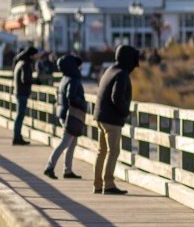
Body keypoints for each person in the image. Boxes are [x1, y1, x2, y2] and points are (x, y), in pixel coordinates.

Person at [92, 45, 139, 195]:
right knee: (113, 151)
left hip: (100, 116)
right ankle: (109, 184)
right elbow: (117, 98)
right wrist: (125, 112)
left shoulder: (110, 70)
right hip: (111, 119)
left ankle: (97, 184)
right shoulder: (122, 74)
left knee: (102, 151)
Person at [44, 54, 86, 180]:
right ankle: (49, 167)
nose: (79, 68)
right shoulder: (73, 79)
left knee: (72, 142)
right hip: (70, 115)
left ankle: (68, 170)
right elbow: (71, 97)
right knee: (65, 142)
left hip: (64, 113)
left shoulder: (65, 78)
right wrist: (83, 103)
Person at [11, 46, 37, 145]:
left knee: (19, 115)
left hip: (18, 91)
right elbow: (25, 79)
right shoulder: (26, 64)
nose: (37, 57)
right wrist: (35, 81)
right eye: (36, 55)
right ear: (31, 55)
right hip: (22, 93)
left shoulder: (21, 61)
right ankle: (17, 138)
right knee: (20, 116)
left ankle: (17, 136)